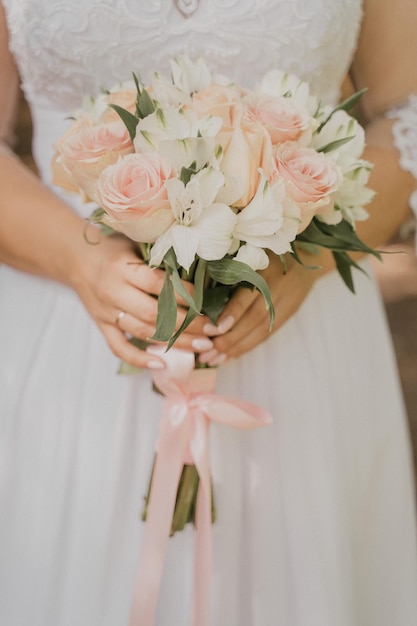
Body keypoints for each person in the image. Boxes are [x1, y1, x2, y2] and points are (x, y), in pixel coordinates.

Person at [0, 1, 417, 624]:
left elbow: (405, 114)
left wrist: (308, 256)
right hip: (73, 338)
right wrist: (78, 260)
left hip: (301, 337)